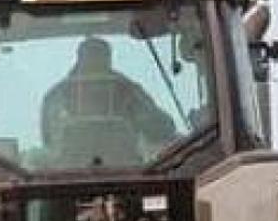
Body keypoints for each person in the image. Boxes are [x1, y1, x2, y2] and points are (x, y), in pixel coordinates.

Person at [40, 37, 176, 166]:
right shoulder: (58, 96)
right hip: (67, 175)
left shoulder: (128, 91)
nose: (95, 61)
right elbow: (49, 140)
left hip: (130, 174)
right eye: (91, 56)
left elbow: (163, 129)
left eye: (98, 56)